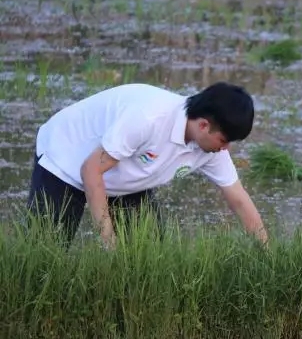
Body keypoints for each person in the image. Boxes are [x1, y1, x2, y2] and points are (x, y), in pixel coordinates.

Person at [26, 82, 270, 248]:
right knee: (45, 253)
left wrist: (267, 256)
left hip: (122, 177)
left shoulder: (211, 148)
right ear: (204, 125)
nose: (226, 149)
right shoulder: (148, 118)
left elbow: (239, 200)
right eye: (225, 140)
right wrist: (108, 240)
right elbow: (90, 170)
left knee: (149, 253)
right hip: (66, 159)